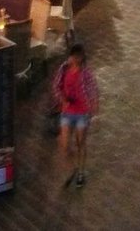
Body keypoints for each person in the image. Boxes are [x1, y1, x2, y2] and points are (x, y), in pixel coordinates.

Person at [52, 43, 99, 189]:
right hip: (67, 112)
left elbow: (93, 89)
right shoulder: (64, 69)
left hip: (82, 113)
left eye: (79, 57)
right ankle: (73, 167)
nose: (76, 59)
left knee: (80, 143)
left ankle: (80, 173)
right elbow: (56, 86)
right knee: (65, 144)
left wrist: (94, 105)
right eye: (74, 56)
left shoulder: (86, 73)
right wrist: (62, 99)